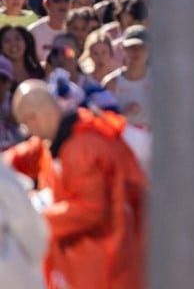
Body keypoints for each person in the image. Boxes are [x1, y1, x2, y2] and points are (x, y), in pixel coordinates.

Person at [4, 78, 147, 289]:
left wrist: (33, 215)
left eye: (26, 125)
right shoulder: (63, 135)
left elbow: (90, 210)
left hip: (104, 268)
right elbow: (25, 154)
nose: (28, 132)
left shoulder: (83, 147)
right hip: (87, 264)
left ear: (33, 119)